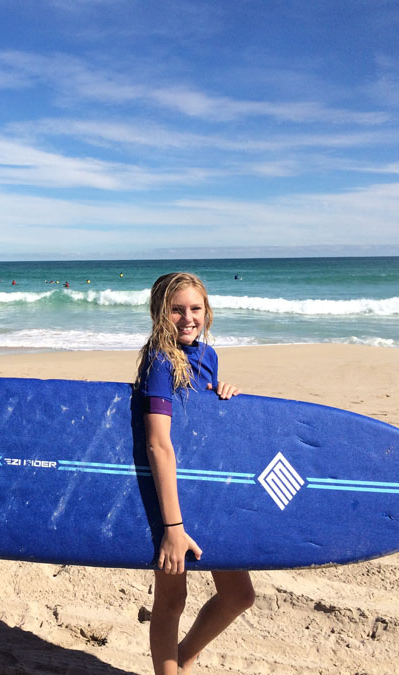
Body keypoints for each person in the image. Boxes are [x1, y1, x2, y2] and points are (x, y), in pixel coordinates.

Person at [135, 272, 255, 675]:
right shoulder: (159, 360)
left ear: (207, 312)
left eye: (195, 309)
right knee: (171, 599)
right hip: (170, 495)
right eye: (176, 310)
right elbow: (157, 443)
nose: (187, 318)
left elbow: (199, 425)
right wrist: (172, 526)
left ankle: (184, 657)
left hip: (206, 487)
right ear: (159, 313)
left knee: (239, 594)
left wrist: (223, 394)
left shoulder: (207, 356)